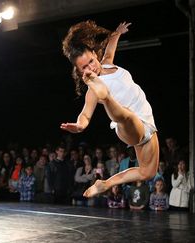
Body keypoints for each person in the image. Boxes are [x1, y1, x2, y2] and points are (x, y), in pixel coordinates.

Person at [61, 20, 159, 198]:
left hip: (146, 119)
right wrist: (80, 125)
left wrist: (118, 32)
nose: (91, 68)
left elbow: (111, 46)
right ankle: (106, 97)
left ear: (94, 54)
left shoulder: (106, 63)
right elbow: (85, 113)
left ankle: (105, 183)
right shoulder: (92, 89)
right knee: (126, 117)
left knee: (148, 172)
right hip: (128, 125)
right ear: (79, 71)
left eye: (91, 61)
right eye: (84, 67)